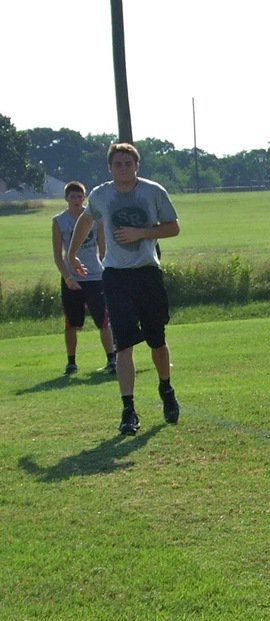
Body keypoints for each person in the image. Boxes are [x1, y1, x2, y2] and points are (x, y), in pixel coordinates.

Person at [67, 142, 181, 435]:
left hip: (147, 273)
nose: (123, 168)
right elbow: (86, 219)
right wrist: (71, 253)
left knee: (157, 340)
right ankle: (128, 410)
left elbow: (173, 227)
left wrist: (141, 233)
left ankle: (166, 389)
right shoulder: (101, 195)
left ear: (136, 166)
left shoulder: (153, 192)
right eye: (117, 164)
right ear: (110, 167)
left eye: (128, 164)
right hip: (115, 277)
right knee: (124, 345)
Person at [53, 180, 116, 375]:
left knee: (104, 320)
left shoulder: (95, 220)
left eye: (80, 196)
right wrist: (67, 277)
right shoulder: (59, 221)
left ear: (84, 198)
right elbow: (58, 256)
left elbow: (103, 249)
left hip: (95, 276)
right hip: (73, 279)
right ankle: (71, 362)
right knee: (72, 322)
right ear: (66, 198)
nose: (77, 200)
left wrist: (107, 271)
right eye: (72, 196)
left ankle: (111, 359)